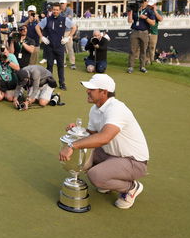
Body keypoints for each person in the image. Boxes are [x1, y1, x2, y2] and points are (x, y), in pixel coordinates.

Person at [59, 74, 149, 209]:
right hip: (110, 155)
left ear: (104, 92)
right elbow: (92, 135)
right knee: (82, 159)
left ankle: (131, 187)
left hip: (134, 161)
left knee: (96, 176)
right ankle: (109, 180)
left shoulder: (116, 108)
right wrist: (77, 131)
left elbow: (104, 137)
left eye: (92, 89)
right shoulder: (95, 108)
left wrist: (72, 145)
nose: (87, 91)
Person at [38, 3, 73, 90]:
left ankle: (62, 83)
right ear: (52, 10)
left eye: (57, 10)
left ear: (60, 10)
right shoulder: (47, 19)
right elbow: (37, 27)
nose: (55, 11)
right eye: (54, 10)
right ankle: (49, 83)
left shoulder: (64, 19)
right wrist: (42, 37)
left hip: (60, 46)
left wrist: (68, 37)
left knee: (60, 65)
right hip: (49, 46)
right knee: (49, 65)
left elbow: (74, 27)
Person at [127, 0, 156, 74]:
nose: (142, 3)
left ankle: (142, 66)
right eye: (141, 1)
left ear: (146, 2)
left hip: (144, 32)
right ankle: (130, 66)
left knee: (143, 50)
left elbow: (153, 23)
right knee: (133, 50)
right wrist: (130, 13)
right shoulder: (135, 10)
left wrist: (145, 18)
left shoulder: (149, 11)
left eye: (143, 1)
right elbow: (130, 21)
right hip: (135, 31)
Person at [59, 0, 77, 70]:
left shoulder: (69, 10)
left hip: (68, 31)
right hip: (60, 31)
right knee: (62, 48)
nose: (62, 5)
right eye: (61, 3)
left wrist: (62, 18)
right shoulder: (59, 10)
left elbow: (68, 19)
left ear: (66, 4)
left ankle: (72, 63)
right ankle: (63, 62)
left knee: (69, 47)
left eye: (63, 3)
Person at [145, 0, 163, 66]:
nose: (150, 6)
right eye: (149, 5)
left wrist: (155, 11)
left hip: (154, 32)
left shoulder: (158, 11)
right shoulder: (146, 10)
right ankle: (144, 60)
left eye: (151, 5)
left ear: (155, 5)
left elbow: (160, 19)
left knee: (152, 47)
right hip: (145, 31)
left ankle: (150, 60)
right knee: (144, 47)